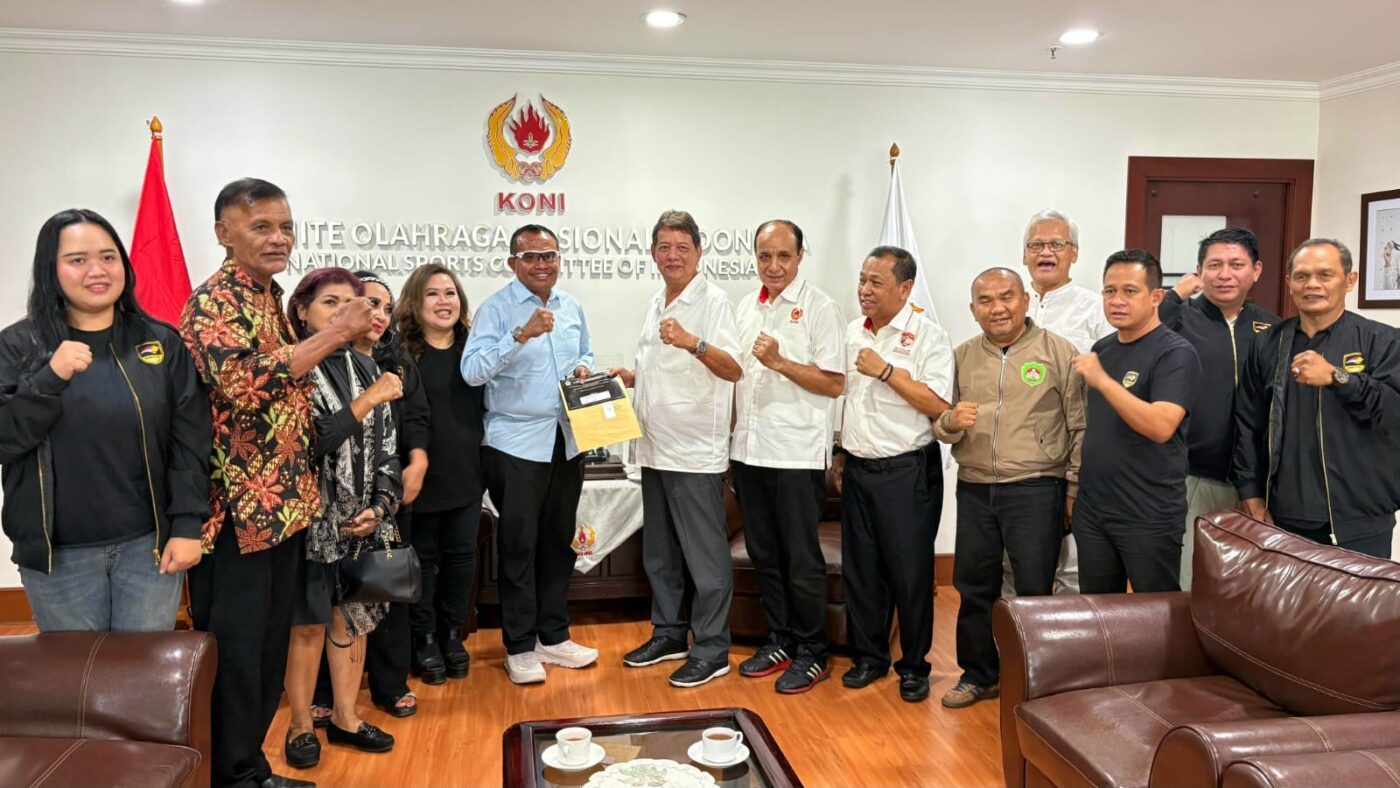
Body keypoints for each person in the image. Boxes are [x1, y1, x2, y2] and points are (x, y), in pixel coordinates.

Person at [181, 178, 372, 788]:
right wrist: (336, 332)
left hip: (286, 509)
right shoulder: (214, 302)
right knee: (236, 658)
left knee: (265, 656)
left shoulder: (269, 298)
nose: (278, 238)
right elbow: (244, 385)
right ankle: (229, 774)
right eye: (261, 226)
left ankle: (248, 768)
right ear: (223, 234)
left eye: (286, 226)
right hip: (238, 515)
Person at [0, 208, 210, 632]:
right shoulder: (18, 346)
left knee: (142, 671)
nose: (96, 270)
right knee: (75, 673)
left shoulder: (160, 341)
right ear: (51, 269)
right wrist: (48, 379)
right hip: (60, 558)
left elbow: (190, 440)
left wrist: (188, 525)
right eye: (77, 260)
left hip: (148, 549)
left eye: (108, 257)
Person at [934, 268, 1084, 709]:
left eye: (1006, 297)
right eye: (985, 300)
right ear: (972, 309)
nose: (997, 308)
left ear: (1025, 301)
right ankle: (979, 675)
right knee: (974, 585)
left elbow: (1080, 425)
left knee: (1035, 589)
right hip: (975, 487)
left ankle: (1037, 681)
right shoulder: (962, 355)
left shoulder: (1058, 351)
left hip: (1036, 487)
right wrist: (949, 423)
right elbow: (941, 421)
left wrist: (1073, 487)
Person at [461, 224, 597, 684]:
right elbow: (472, 371)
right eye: (532, 256)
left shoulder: (571, 306)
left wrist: (584, 368)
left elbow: (587, 353)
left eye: (550, 255)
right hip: (515, 444)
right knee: (520, 546)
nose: (542, 264)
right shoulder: (496, 309)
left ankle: (553, 636)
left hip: (566, 438)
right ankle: (519, 646)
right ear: (513, 262)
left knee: (558, 542)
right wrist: (520, 334)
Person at [612, 210, 742, 688]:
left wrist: (693, 342)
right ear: (652, 253)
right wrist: (633, 377)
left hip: (694, 453)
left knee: (705, 561)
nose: (673, 256)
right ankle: (669, 634)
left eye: (682, 248)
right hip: (653, 448)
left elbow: (733, 368)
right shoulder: (656, 302)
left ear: (699, 252)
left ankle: (712, 648)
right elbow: (665, 371)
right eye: (664, 247)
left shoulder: (714, 302)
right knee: (660, 555)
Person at [281, 269, 401, 769]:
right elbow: (311, 442)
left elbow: (389, 449)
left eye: (353, 302)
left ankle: (347, 718)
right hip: (310, 521)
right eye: (330, 302)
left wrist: (381, 506)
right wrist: (369, 400)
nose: (346, 311)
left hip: (362, 521)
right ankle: (300, 724)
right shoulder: (292, 365)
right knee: (308, 625)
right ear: (301, 310)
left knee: (352, 619)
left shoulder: (366, 366)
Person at [727, 219, 844, 693]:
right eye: (764, 256)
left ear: (799, 257)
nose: (773, 265)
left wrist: (779, 362)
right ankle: (780, 639)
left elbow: (834, 382)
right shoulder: (745, 307)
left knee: (801, 559)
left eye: (783, 256)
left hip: (795, 454)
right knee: (765, 554)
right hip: (749, 452)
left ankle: (813, 651)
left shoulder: (821, 308)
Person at [309, 271, 430, 725]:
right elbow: (314, 440)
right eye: (368, 304)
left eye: (385, 307)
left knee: (381, 587)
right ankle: (325, 696)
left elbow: (406, 428)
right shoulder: (315, 364)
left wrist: (390, 493)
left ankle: (387, 684)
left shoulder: (393, 364)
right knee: (322, 608)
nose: (376, 314)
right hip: (322, 514)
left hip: (382, 502)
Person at [837, 245, 953, 704]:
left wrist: (887, 371)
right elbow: (847, 400)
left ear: (905, 288)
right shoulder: (852, 331)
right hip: (858, 469)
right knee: (861, 571)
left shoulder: (928, 336)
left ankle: (915, 666)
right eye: (862, 280)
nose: (865, 290)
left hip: (907, 472)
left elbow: (938, 404)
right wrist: (840, 453)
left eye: (876, 282)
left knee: (910, 574)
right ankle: (869, 658)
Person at [1235, 239, 1400, 558]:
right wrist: (1250, 492)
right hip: (1283, 516)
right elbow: (1248, 423)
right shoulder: (1268, 343)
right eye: (1302, 276)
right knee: (1282, 594)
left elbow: (1393, 412)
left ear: (1349, 280)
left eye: (1325, 275)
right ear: (1289, 283)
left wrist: (1339, 378)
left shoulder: (1382, 340)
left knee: (1358, 595)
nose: (1312, 284)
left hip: (1361, 520)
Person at [1071, 250, 1201, 594]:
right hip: (1095, 509)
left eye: (1130, 291)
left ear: (1156, 297)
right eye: (1109, 291)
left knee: (1156, 613)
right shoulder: (1103, 348)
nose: (1117, 300)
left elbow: (1161, 426)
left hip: (1148, 512)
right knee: (1098, 613)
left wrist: (1103, 381)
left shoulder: (1175, 352)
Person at [1159, 228, 1278, 587]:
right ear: (1199, 271)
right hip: (1191, 475)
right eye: (1214, 265)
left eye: (1236, 264)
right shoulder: (1177, 319)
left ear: (1256, 270)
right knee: (1189, 582)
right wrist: (1174, 295)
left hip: (1258, 482)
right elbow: (1136, 331)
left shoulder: (1272, 328)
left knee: (1248, 585)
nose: (1225, 274)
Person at [394, 264, 484, 686]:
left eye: (451, 293)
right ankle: (425, 638)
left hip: (467, 471)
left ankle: (452, 635)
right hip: (420, 473)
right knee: (424, 562)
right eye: (433, 293)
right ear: (416, 302)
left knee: (463, 558)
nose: (444, 301)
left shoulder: (474, 349)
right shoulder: (400, 353)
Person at [1019, 209, 1111, 596]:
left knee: (1072, 567)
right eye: (1036, 244)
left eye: (1057, 244)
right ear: (1024, 254)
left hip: (1075, 454)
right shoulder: (1012, 306)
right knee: (1017, 564)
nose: (1046, 252)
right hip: (1021, 460)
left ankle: (1071, 637)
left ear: (1074, 253)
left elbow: (1108, 382)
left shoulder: (1096, 309)